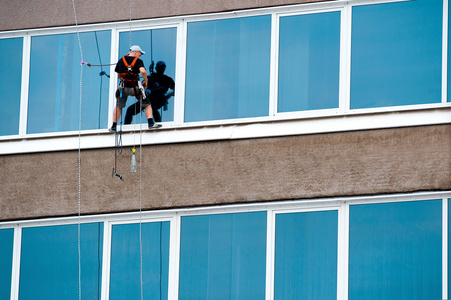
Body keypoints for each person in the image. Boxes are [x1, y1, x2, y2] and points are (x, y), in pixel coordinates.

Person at [109, 45, 160, 132]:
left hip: (123, 88)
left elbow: (119, 75)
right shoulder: (138, 61)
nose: (140, 56)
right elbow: (143, 71)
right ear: (136, 52)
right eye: (140, 54)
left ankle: (114, 126)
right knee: (147, 104)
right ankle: (150, 123)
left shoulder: (121, 61)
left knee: (119, 106)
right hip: (135, 88)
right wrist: (145, 80)